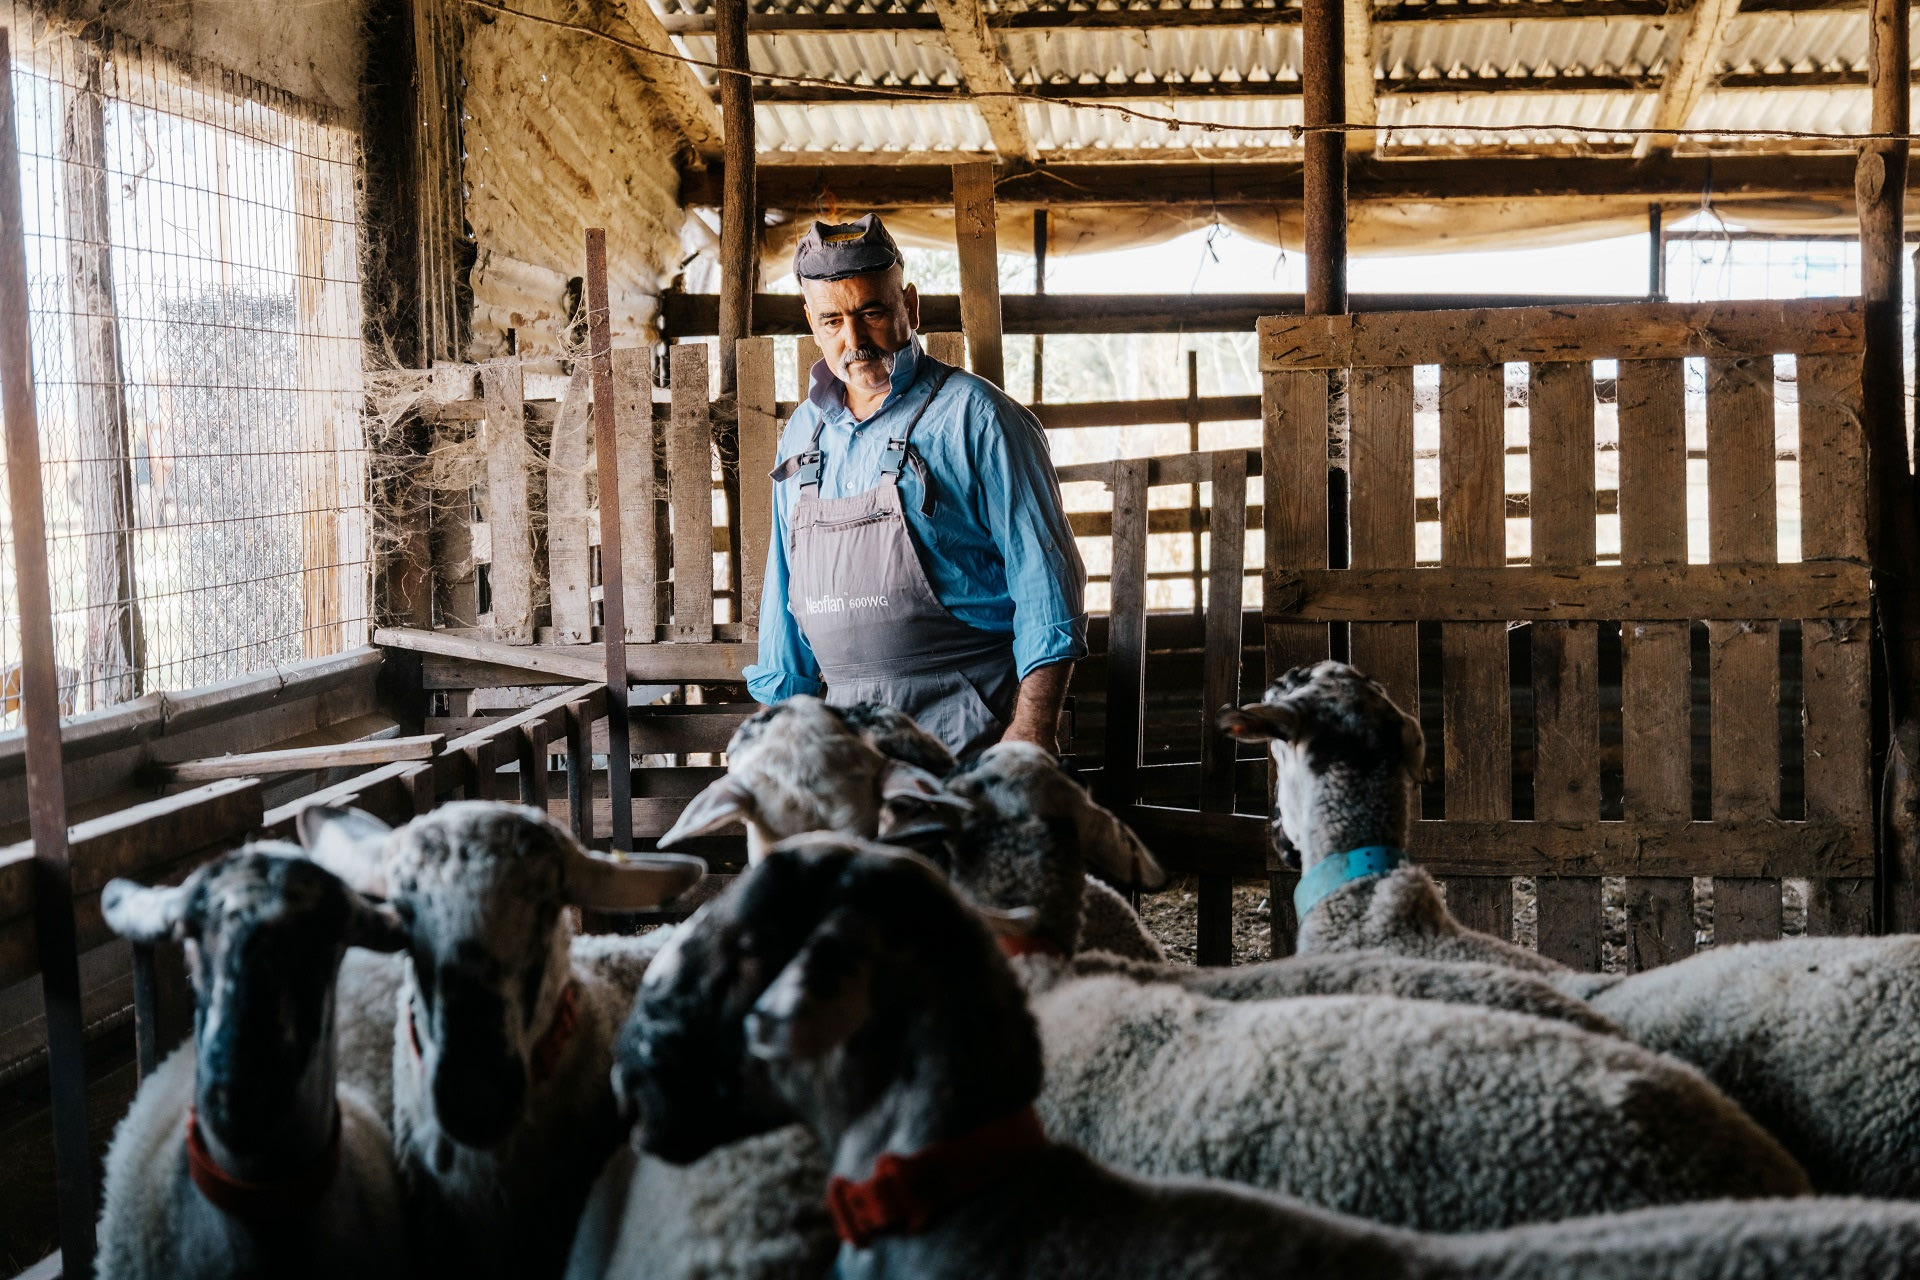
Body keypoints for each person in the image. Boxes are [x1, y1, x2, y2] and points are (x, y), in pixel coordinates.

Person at [742, 213, 1087, 759]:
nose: (854, 340)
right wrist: (776, 728)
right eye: (832, 321)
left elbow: (1046, 586)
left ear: (911, 305)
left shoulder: (979, 418)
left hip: (968, 728)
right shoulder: (803, 434)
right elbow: (784, 591)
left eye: (871, 311)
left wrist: (1032, 730)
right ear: (810, 320)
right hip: (845, 741)